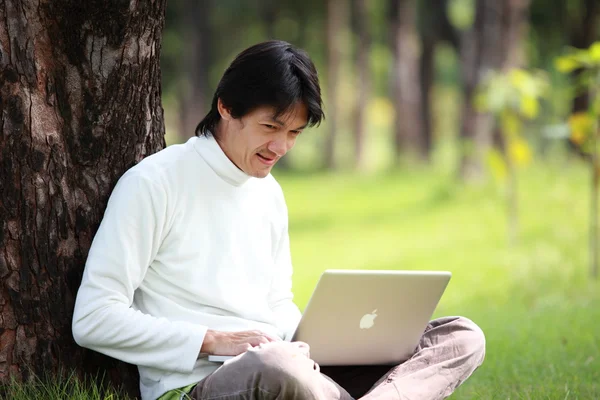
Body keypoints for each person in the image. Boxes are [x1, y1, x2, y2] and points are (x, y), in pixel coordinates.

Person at [72, 40, 485, 400]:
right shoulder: (154, 183)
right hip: (204, 383)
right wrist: (213, 340)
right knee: (278, 369)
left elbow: (275, 303)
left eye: (295, 133)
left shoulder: (267, 192)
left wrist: (322, 341)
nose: (280, 146)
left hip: (291, 370)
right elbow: (94, 318)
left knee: (459, 337)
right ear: (226, 106)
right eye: (271, 127)